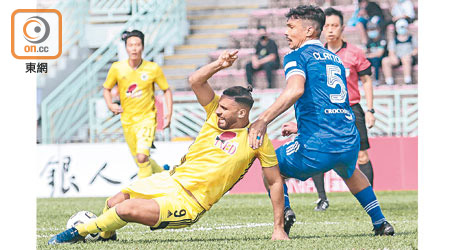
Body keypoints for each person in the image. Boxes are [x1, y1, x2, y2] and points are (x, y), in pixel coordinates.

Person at [48, 50, 289, 244]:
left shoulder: (257, 139)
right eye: (219, 107)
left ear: (242, 112)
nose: (218, 111)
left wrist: (278, 228)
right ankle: (106, 236)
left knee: (125, 208)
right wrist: (219, 64)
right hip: (169, 180)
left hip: (189, 202)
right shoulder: (214, 115)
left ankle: (75, 233)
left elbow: (275, 182)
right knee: (113, 202)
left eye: (224, 109)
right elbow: (195, 80)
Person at [248, 5, 394, 236]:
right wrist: (300, 125)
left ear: (308, 31)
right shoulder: (334, 58)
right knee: (350, 171)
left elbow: (295, 90)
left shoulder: (296, 55)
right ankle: (381, 222)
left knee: (271, 165)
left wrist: (262, 119)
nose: (286, 32)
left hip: (319, 145)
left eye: (291, 27)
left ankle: (284, 216)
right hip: (347, 139)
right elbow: (333, 101)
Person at [282, 8, 378, 212]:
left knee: (359, 157)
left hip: (350, 108)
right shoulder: (327, 55)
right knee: (338, 160)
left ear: (343, 28)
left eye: (335, 26)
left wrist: (370, 109)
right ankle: (324, 198)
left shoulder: (352, 52)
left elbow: (366, 80)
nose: (331, 30)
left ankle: (370, 196)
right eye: (327, 26)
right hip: (330, 113)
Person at [103, 30, 173, 179]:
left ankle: (142, 193)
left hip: (147, 119)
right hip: (127, 121)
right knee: (140, 160)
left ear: (142, 46)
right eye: (131, 45)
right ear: (126, 48)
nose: (134, 48)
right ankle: (163, 174)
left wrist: (168, 114)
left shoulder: (153, 68)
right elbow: (106, 89)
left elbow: (166, 90)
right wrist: (110, 105)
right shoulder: (117, 68)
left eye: (137, 45)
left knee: (142, 157)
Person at [382, 18, 417, 85]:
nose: (402, 29)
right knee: (385, 61)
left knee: (405, 59)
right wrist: (393, 57)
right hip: (397, 58)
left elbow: (416, 49)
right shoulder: (394, 40)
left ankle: (408, 80)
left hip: (409, 58)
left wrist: (410, 54)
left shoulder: (411, 38)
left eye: (403, 27)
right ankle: (389, 81)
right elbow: (391, 52)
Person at [365, 16, 387, 86]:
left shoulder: (382, 40)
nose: (371, 31)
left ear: (378, 29)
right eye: (370, 30)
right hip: (371, 58)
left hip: (380, 59)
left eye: (373, 29)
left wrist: (368, 55)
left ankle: (376, 79)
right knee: (363, 61)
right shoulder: (369, 41)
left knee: (375, 60)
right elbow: (366, 51)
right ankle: (362, 80)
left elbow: (380, 53)